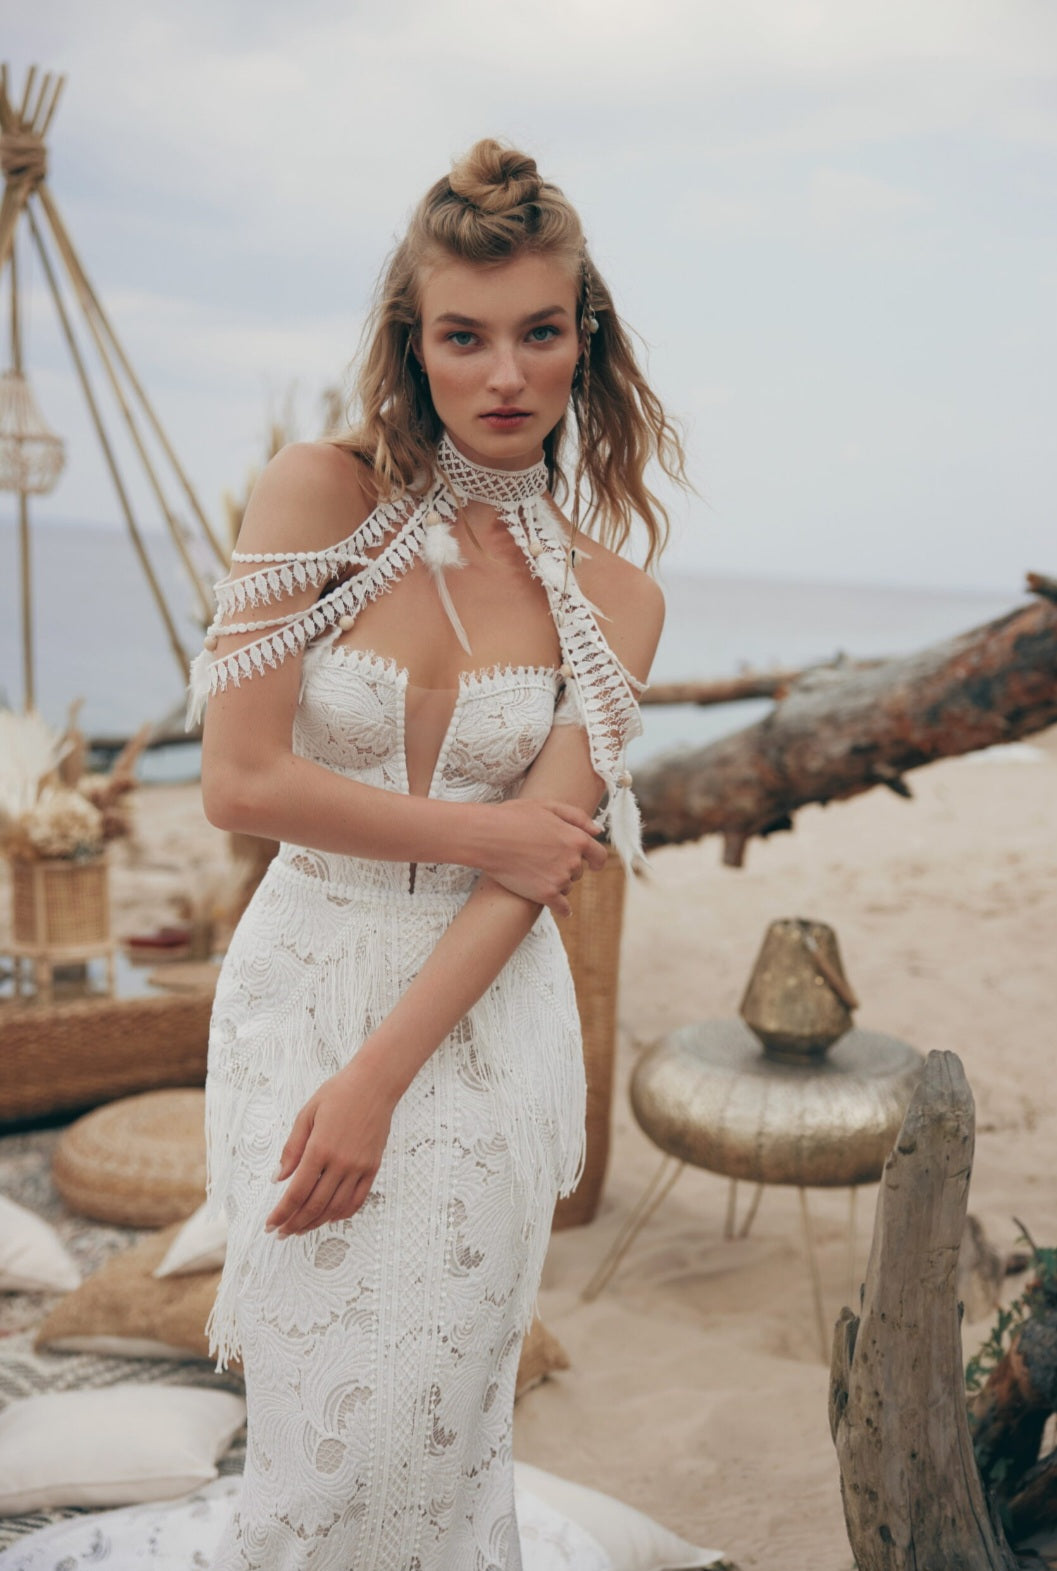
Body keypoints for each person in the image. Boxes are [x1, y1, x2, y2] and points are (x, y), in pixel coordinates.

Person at [190, 137, 687, 1570]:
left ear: (583, 337)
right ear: (411, 340)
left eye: (539, 332)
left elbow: (527, 887)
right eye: (462, 337)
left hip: (476, 1027)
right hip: (300, 986)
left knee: (436, 1406)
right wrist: (487, 825)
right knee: (315, 1428)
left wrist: (379, 1081)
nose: (504, 377)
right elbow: (238, 781)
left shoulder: (615, 600)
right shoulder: (317, 499)